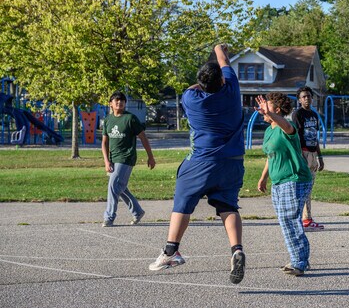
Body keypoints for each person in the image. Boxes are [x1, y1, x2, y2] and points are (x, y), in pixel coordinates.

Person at [149, 44, 246, 285]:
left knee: (182, 200)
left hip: (202, 161)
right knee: (228, 206)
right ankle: (236, 249)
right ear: (222, 81)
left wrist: (205, 82)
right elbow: (224, 61)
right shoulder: (233, 91)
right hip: (233, 162)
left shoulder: (191, 99)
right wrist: (218, 49)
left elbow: (196, 86)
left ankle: (171, 250)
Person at [256, 93, 313, 276]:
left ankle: (299, 262)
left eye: (267, 107)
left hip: (295, 179)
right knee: (285, 221)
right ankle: (300, 258)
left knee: (290, 220)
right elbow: (271, 155)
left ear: (277, 110)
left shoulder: (287, 128)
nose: (262, 110)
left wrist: (271, 115)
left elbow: (287, 126)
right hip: (278, 182)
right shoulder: (269, 130)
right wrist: (264, 177)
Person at [102, 91, 156, 227]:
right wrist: (106, 161)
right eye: (116, 100)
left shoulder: (130, 119)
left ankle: (109, 217)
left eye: (122, 101)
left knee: (113, 185)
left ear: (125, 103)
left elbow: (143, 137)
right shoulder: (108, 120)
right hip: (113, 158)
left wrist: (150, 156)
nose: (119, 103)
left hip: (126, 157)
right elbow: (104, 142)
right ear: (111, 104)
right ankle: (137, 211)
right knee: (120, 187)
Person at [291, 86, 325, 231]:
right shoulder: (297, 114)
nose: (307, 98)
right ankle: (303, 219)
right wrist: (299, 156)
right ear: (299, 99)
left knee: (309, 187)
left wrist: (320, 156)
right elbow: (296, 136)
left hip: (312, 154)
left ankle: (306, 218)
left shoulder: (314, 115)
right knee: (302, 187)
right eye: (304, 97)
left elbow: (314, 136)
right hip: (302, 153)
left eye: (309, 96)